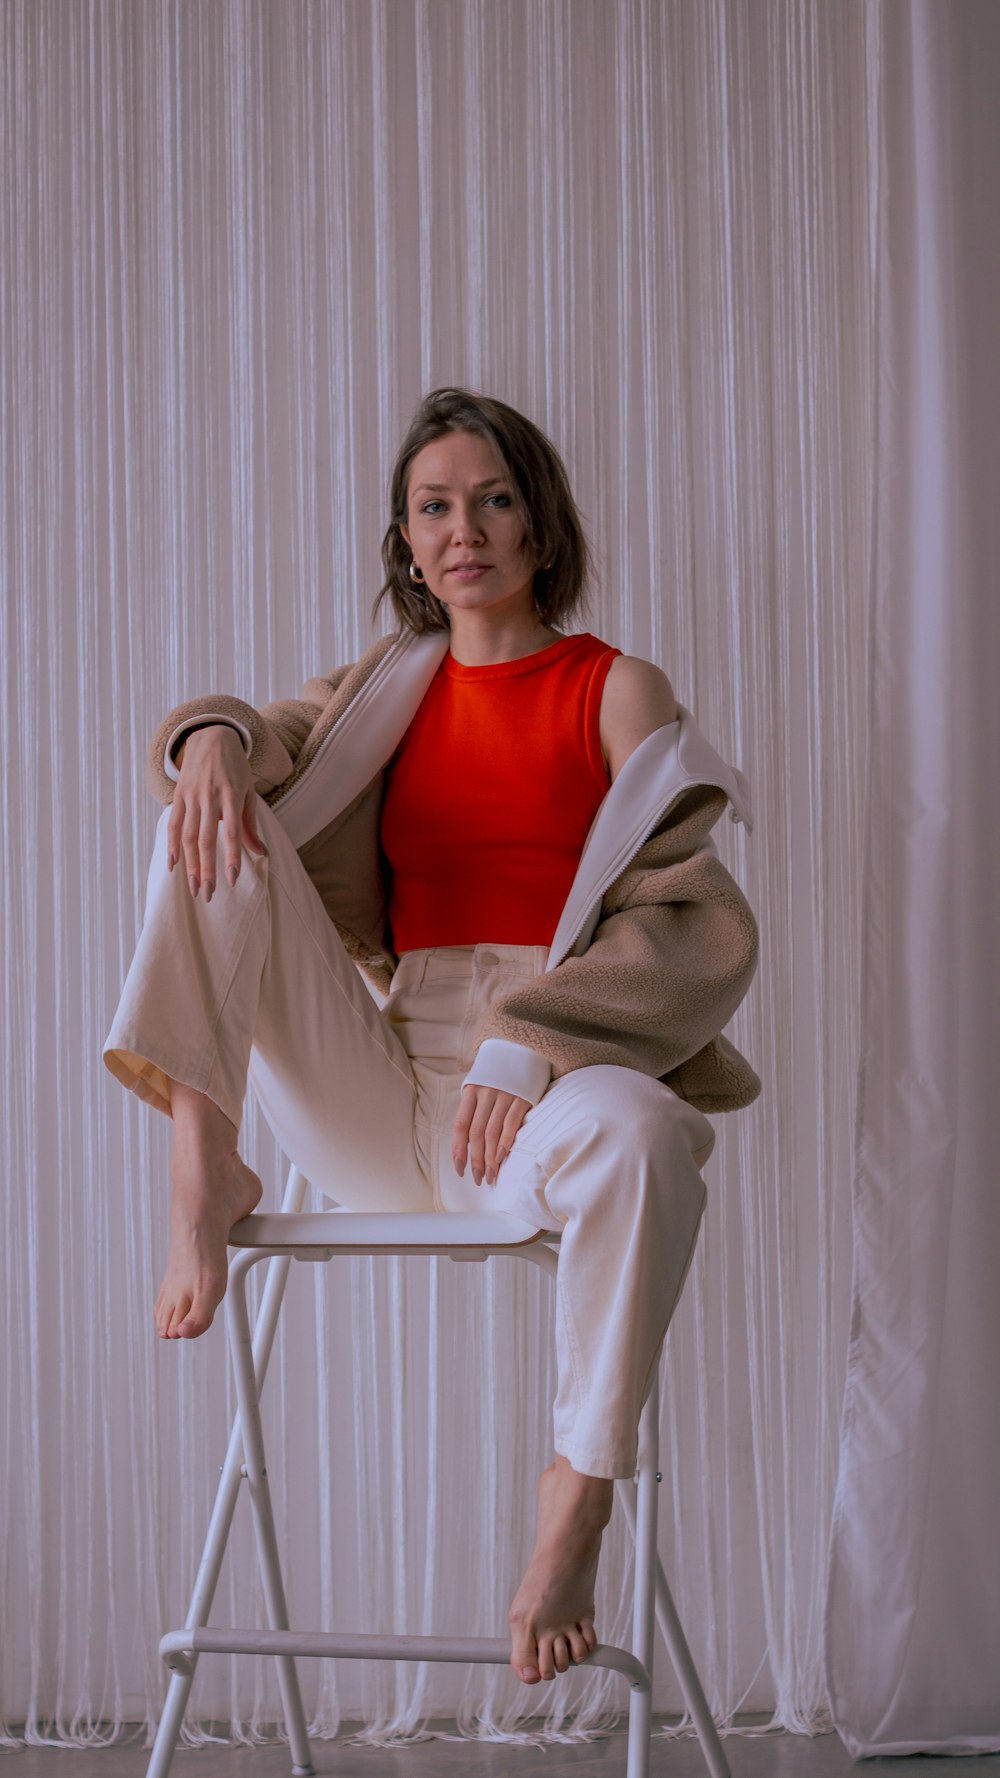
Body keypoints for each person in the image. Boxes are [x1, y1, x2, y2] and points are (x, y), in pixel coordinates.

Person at [104, 387, 760, 1689]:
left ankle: (578, 1486)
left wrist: (532, 1039)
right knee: (211, 813)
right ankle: (205, 1158)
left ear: (540, 520)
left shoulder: (613, 687)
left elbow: (699, 926)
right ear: (407, 541)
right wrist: (215, 745)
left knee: (648, 1131)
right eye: (434, 506)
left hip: (548, 1078)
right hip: (385, 1079)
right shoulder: (382, 692)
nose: (465, 529)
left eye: (494, 498)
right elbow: (242, 735)